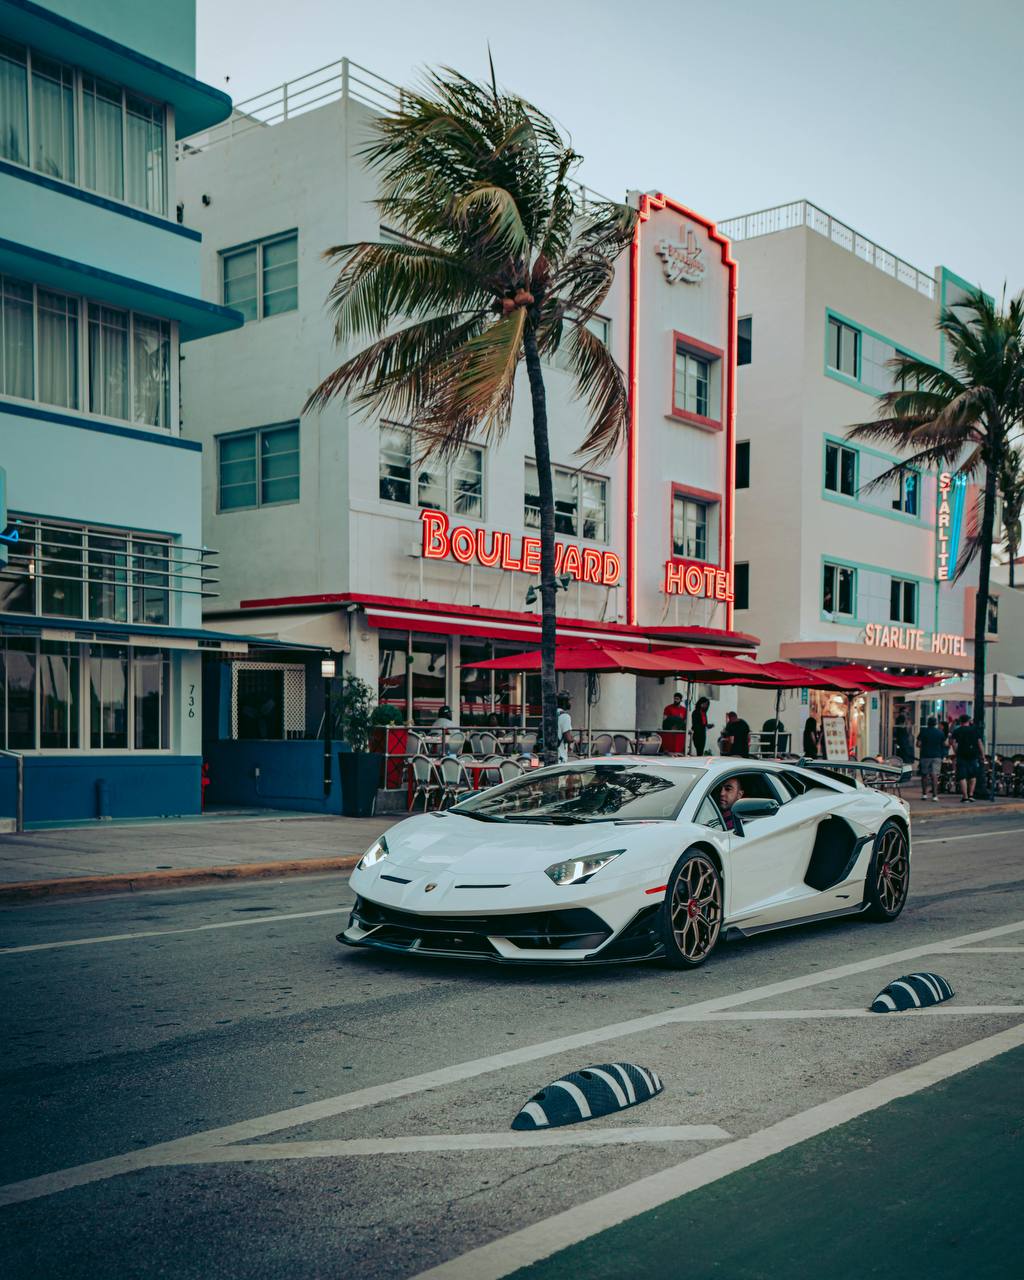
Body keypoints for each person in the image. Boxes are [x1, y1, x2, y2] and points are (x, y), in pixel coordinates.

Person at [952, 712, 986, 803]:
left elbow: (953, 743)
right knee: (973, 776)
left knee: (962, 776)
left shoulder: (957, 731)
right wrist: (983, 755)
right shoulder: (974, 730)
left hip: (961, 755)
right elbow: (980, 743)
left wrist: (956, 752)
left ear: (961, 721)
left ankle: (965, 796)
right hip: (973, 755)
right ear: (968, 721)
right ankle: (971, 794)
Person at [916, 715, 947, 801]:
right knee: (934, 775)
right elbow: (944, 744)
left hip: (925, 755)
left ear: (927, 723)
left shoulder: (923, 731)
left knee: (924, 775)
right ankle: (935, 795)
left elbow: (918, 744)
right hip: (937, 756)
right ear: (935, 723)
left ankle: (924, 794)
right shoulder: (940, 732)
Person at [556, 692, 574, 763]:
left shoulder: (551, 714)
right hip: (560, 755)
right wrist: (573, 740)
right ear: (564, 702)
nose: (571, 703)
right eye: (569, 700)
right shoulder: (565, 716)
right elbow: (568, 738)